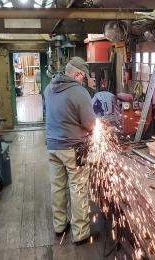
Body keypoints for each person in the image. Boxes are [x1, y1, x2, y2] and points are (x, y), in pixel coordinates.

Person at [44, 57, 97, 245]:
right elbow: (90, 124)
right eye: (83, 77)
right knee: (78, 188)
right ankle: (80, 233)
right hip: (73, 149)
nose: (83, 80)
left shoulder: (49, 88)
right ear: (77, 74)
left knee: (57, 187)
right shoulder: (79, 91)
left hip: (52, 147)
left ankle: (59, 226)